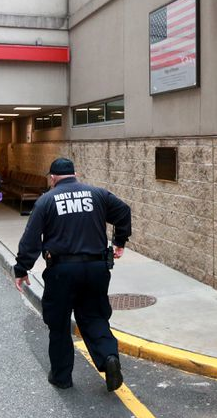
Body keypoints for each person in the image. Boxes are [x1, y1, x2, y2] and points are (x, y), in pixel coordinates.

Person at [14, 157, 132, 392]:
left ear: (52, 178)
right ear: (75, 174)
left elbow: (31, 238)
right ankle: (109, 357)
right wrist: (119, 241)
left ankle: (61, 377)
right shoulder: (97, 194)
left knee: (58, 324)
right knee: (95, 317)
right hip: (97, 269)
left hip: (62, 271)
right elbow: (123, 211)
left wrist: (21, 268)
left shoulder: (46, 201)